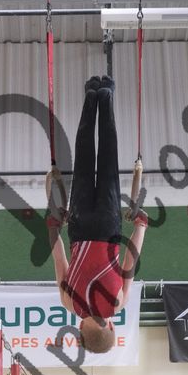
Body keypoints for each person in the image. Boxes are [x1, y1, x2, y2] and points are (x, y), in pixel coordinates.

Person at [47, 75, 148, 354]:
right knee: (83, 159)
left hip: (107, 227)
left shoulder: (117, 304)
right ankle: (91, 97)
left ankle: (106, 95)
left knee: (107, 160)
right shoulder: (70, 304)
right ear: (80, 329)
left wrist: (141, 227)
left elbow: (130, 261)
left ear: (111, 327)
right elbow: (59, 259)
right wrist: (52, 227)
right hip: (79, 228)